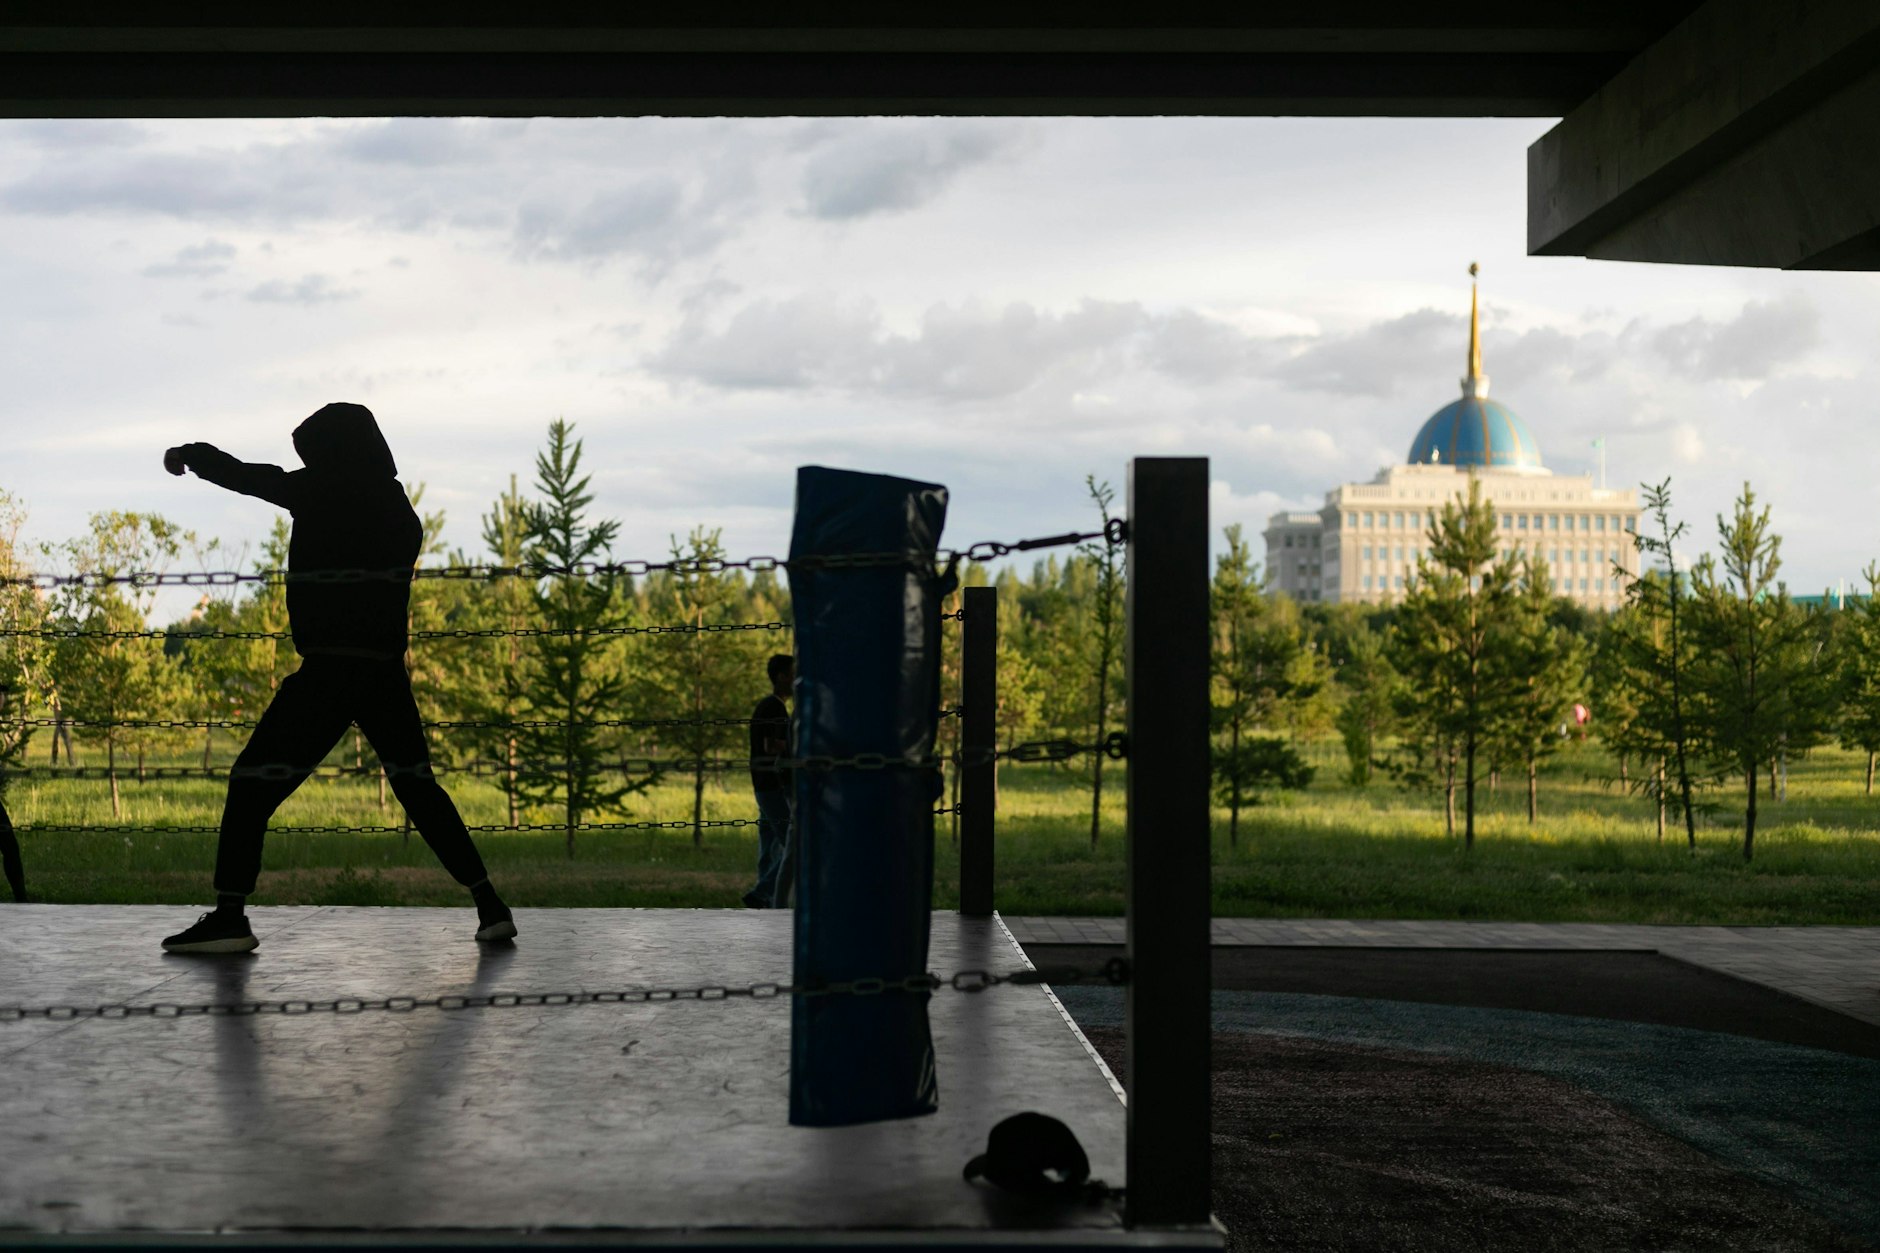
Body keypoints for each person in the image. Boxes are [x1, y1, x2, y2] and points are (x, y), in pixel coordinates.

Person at [158, 403, 514, 953]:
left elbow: (250, 477)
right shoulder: (401, 513)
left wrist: (189, 456)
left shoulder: (321, 491)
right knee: (419, 789)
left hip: (327, 673)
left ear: (334, 450)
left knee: (251, 784)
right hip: (384, 674)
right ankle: (490, 905)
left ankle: (230, 915)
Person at [743, 653, 793, 909]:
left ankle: (765, 899)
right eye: (792, 673)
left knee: (769, 845)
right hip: (772, 784)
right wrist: (797, 744)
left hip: (761, 783)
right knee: (791, 844)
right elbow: (770, 745)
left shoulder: (765, 705)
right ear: (782, 676)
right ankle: (762, 893)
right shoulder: (775, 707)